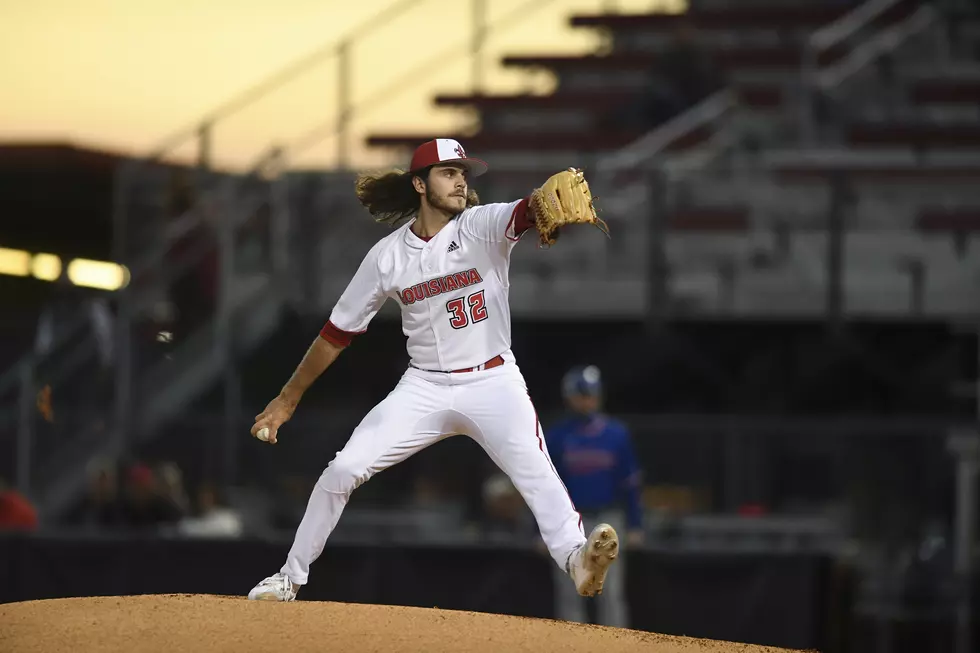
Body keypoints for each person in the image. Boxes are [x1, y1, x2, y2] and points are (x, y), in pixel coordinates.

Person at [246, 138, 619, 602]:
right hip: (424, 386)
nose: (461, 179)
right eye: (448, 172)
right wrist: (287, 399)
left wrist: (539, 200)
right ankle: (289, 578)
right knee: (342, 470)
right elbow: (335, 334)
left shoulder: (481, 226)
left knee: (536, 472)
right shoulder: (387, 256)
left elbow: (524, 212)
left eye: (463, 172)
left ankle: (576, 560)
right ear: (420, 184)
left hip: (493, 381)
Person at [545, 365, 643, 628]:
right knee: (569, 593)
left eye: (591, 394)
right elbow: (546, 487)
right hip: (569, 521)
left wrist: (635, 524)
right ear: (570, 397)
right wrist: (539, 529)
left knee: (610, 593)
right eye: (582, 394)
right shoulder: (557, 437)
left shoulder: (616, 434)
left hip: (608, 519)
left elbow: (630, 483)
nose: (587, 400)